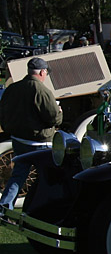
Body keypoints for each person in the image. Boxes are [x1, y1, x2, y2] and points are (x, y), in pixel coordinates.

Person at [0, 57, 63, 209]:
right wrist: (60, 112)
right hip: (39, 143)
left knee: (18, 176)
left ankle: (4, 206)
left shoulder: (13, 88)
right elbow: (54, 119)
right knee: (46, 179)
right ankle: (41, 209)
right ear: (42, 72)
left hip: (18, 140)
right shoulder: (42, 91)